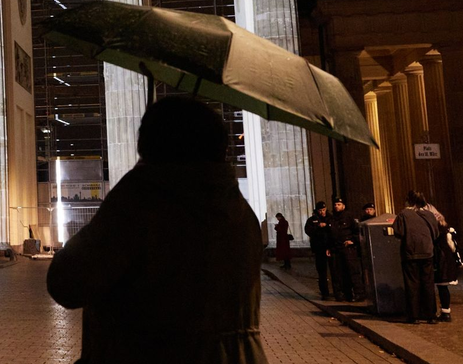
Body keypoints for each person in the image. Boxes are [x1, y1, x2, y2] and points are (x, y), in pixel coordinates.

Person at [46, 96, 267, 363]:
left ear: (149, 145)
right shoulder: (243, 215)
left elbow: (66, 283)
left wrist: (128, 190)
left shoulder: (139, 205)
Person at [393, 190, 439, 324]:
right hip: (427, 252)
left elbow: (398, 232)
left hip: (411, 252)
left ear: (408, 200)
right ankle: (430, 315)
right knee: (428, 283)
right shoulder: (429, 214)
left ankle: (414, 315)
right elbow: (435, 233)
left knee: (412, 283)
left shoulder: (404, 214)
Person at [328, 197, 363, 302]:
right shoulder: (332, 218)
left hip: (348, 249)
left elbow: (357, 231)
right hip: (337, 249)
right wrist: (329, 247)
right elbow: (330, 234)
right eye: (335, 204)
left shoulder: (348, 217)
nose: (336, 206)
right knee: (340, 273)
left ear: (343, 206)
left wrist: (353, 241)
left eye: (339, 204)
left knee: (353, 272)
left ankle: (359, 293)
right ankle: (346, 294)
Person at [432, 211, 463, 323]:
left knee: (440, 287)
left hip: (440, 261)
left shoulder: (436, 232)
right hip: (446, 261)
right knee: (443, 288)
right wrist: (458, 260)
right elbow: (453, 247)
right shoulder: (448, 231)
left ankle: (442, 312)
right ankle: (446, 311)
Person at [304, 201, 333, 300]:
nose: (322, 212)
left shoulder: (331, 218)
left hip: (331, 247)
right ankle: (325, 292)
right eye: (320, 210)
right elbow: (308, 231)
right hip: (319, 249)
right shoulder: (312, 220)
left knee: (335, 271)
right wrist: (318, 227)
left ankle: (338, 292)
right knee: (322, 272)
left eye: (324, 210)